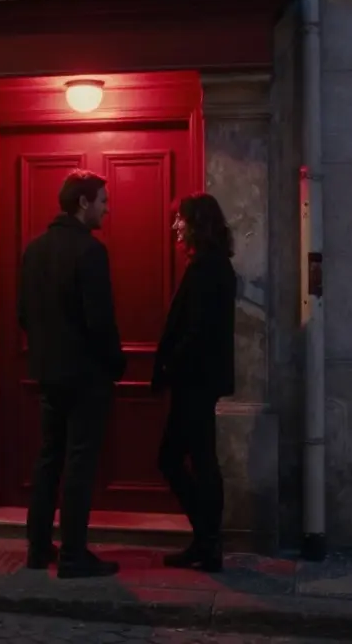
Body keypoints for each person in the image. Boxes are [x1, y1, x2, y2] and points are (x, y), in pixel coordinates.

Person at [17, 169, 126, 579]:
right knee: (80, 463)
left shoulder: (34, 250)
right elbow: (100, 321)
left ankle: (38, 546)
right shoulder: (90, 251)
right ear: (83, 203)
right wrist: (115, 363)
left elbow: (23, 314)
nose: (106, 208)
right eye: (102, 201)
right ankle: (74, 553)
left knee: (48, 458)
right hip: (85, 376)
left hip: (48, 372)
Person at [152, 192, 237, 573]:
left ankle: (208, 538)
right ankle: (205, 541)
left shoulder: (208, 268)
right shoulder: (210, 264)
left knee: (180, 459)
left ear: (197, 223)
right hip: (198, 379)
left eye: (180, 219)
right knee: (199, 459)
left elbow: (198, 330)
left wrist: (171, 366)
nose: (175, 226)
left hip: (195, 381)